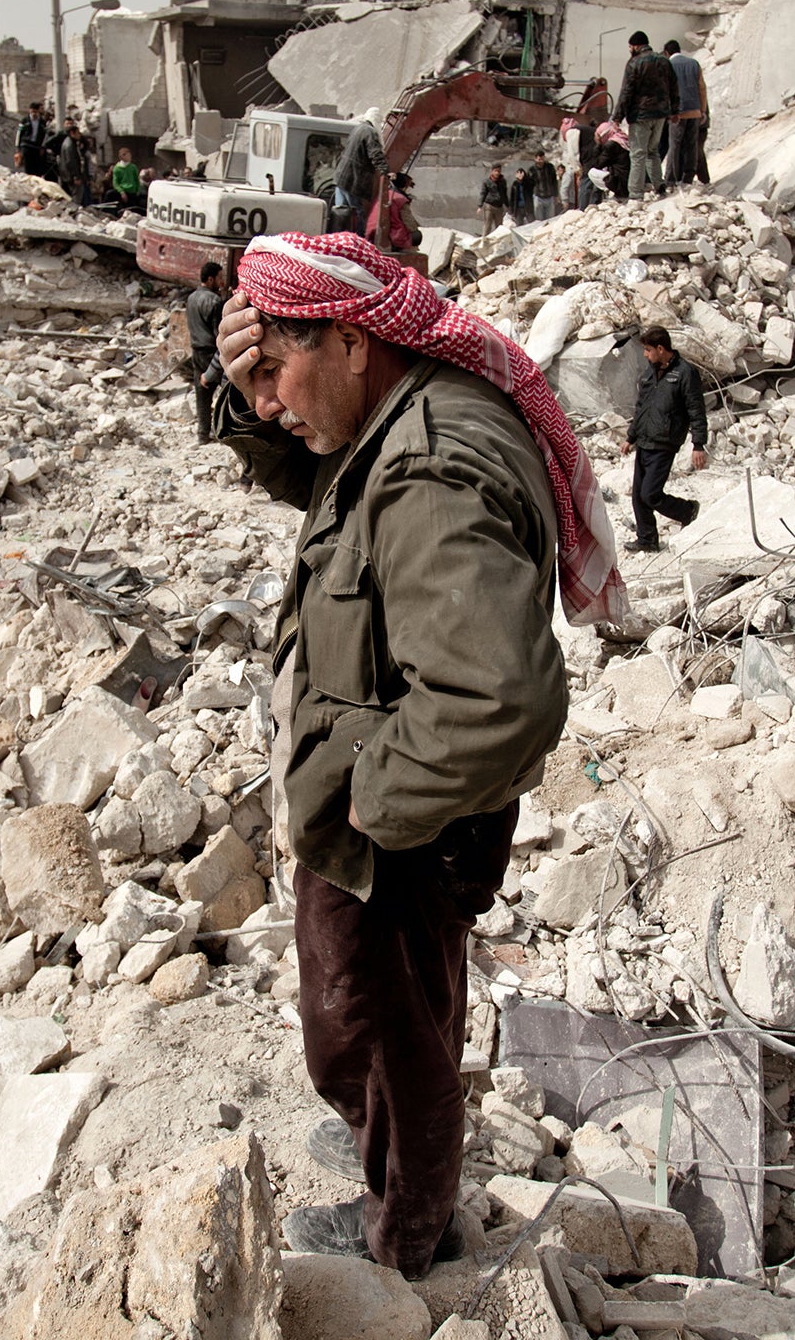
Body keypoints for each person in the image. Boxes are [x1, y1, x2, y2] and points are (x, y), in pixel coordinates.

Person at [210, 230, 624, 1279]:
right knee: (407, 1013)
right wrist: (233, 388)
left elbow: (499, 697)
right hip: (406, 805)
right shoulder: (391, 410)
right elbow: (318, 475)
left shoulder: (429, 463)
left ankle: (404, 1234)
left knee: (371, 1029)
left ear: (350, 343)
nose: (266, 404)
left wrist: (367, 807)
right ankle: (388, 1151)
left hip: (396, 820)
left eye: (275, 373)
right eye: (250, 381)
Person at [619, 324, 709, 552]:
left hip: (665, 443)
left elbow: (696, 410)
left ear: (661, 348)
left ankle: (687, 510)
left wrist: (698, 444)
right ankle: (647, 540)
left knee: (650, 494)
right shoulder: (650, 372)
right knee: (639, 497)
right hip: (645, 441)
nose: (645, 354)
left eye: (648, 350)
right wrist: (631, 437)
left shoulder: (685, 373)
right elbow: (641, 407)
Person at [613, 32, 678, 200]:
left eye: (630, 47)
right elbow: (674, 87)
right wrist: (675, 111)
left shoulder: (634, 63)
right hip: (661, 114)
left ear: (635, 46)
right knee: (652, 151)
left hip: (641, 115)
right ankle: (659, 186)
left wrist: (617, 117)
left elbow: (626, 92)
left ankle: (635, 194)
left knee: (637, 154)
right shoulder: (664, 60)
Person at [185, 260, 226, 444]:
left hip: (196, 351)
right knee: (224, 393)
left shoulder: (191, 297)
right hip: (212, 353)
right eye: (220, 277)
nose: (222, 281)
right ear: (210, 279)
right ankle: (222, 431)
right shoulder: (214, 301)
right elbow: (220, 334)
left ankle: (203, 433)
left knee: (202, 394)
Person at [661, 40, 710, 187]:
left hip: (677, 114)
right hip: (694, 112)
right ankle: (688, 178)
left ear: (666, 53)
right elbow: (702, 88)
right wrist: (702, 110)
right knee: (691, 145)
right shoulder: (694, 64)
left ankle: (670, 179)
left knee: (674, 146)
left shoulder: (668, 66)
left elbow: (665, 91)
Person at [332, 107, 388, 233]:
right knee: (356, 214)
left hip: (341, 178)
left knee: (340, 213)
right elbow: (375, 154)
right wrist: (385, 170)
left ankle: (338, 240)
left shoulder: (358, 128)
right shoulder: (370, 132)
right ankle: (360, 242)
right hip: (353, 180)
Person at [364, 171, 420, 251]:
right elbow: (409, 223)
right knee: (417, 236)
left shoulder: (381, 196)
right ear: (404, 186)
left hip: (371, 233)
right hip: (393, 236)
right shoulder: (400, 199)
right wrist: (416, 229)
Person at [58, 122, 91, 206]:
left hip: (68, 175)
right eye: (78, 133)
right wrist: (76, 176)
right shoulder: (69, 145)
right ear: (72, 133)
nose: (79, 135)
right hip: (72, 176)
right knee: (76, 198)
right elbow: (71, 162)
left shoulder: (69, 142)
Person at [18, 101, 53, 177]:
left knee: (37, 169)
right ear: (30, 110)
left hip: (37, 147)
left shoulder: (42, 122)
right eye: (32, 111)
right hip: (26, 146)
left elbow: (45, 135)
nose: (34, 114)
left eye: (35, 112)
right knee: (28, 168)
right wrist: (18, 148)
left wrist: (43, 147)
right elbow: (19, 135)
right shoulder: (25, 121)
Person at [109, 146, 144, 210]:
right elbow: (115, 182)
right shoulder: (117, 168)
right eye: (128, 155)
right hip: (123, 192)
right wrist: (121, 192)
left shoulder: (133, 167)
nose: (130, 157)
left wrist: (138, 190)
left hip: (133, 192)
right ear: (122, 156)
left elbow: (137, 180)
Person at [477, 164, 508, 235]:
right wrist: (480, 206)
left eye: (499, 171)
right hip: (489, 206)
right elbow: (483, 193)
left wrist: (507, 205)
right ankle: (484, 242)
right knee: (487, 226)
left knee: (499, 227)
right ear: (492, 171)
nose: (497, 173)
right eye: (495, 171)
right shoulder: (487, 182)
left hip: (499, 207)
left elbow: (505, 194)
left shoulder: (503, 182)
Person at [529, 150, 560, 221]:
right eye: (539, 159)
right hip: (538, 196)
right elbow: (530, 185)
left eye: (542, 159)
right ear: (535, 159)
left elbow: (554, 181)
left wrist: (556, 195)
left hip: (549, 196)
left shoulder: (549, 167)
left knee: (551, 219)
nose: (541, 161)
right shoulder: (532, 170)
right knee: (539, 220)